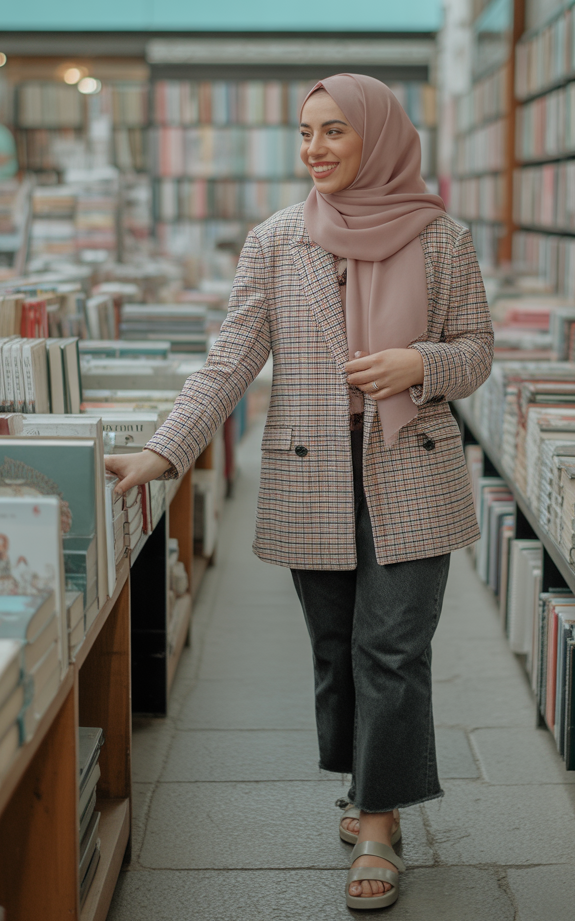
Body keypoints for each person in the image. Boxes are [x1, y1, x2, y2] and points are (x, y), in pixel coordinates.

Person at [104, 73, 493, 910]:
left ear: (378, 137)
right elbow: (231, 359)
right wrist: (162, 452)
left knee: (390, 650)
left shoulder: (441, 239)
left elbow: (476, 350)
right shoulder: (277, 240)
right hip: (311, 471)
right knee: (337, 650)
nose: (314, 149)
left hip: (413, 467)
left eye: (334, 132)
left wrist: (421, 365)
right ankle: (366, 780)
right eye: (305, 133)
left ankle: (381, 822)